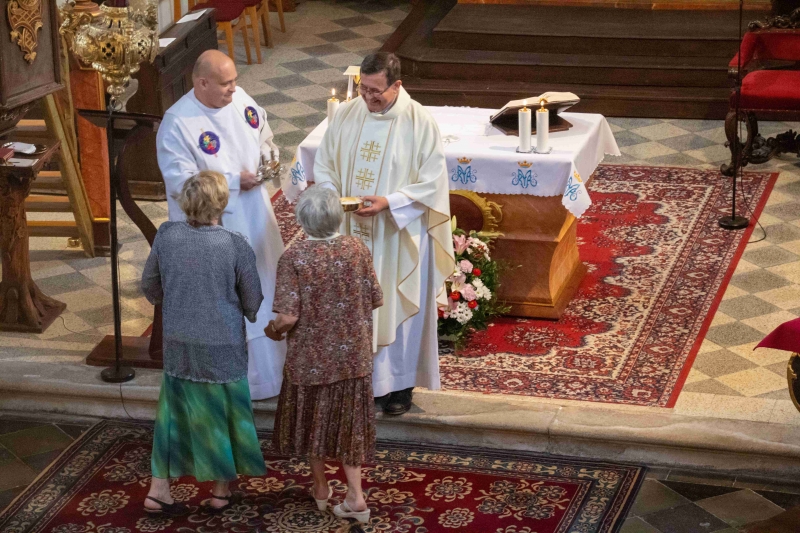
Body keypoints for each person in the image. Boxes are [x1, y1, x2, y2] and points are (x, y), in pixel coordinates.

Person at [312, 52, 454, 415]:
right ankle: (367, 382)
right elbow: (325, 162)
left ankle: (401, 385)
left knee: (395, 303)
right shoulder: (347, 114)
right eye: (364, 89)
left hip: (397, 234)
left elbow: (433, 181)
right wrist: (335, 197)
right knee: (357, 306)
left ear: (397, 85)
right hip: (351, 231)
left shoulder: (419, 122)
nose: (368, 97)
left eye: (376, 91)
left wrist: (390, 202)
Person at [156, 49, 285, 401]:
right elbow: (180, 183)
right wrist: (232, 180)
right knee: (228, 299)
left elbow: (263, 134)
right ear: (202, 83)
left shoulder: (239, 99)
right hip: (215, 227)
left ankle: (274, 374)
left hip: (255, 213)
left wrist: (267, 157)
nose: (234, 89)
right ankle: (237, 384)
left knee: (265, 281)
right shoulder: (178, 122)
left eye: (234, 81)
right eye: (226, 83)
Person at [141, 171, 266, 516]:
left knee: (172, 415)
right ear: (221, 203)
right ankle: (220, 492)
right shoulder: (234, 243)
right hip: (222, 343)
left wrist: (177, 303)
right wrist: (243, 310)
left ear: (186, 201)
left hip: (178, 341)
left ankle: (158, 490)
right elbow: (252, 300)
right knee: (224, 415)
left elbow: (149, 285)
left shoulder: (167, 235)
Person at [266, 187, 383, 524]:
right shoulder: (356, 248)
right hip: (353, 357)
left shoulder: (294, 256)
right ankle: (356, 497)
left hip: (310, 360)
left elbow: (288, 317)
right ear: (337, 217)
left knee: (313, 422)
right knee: (350, 427)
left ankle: (320, 488)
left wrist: (273, 331)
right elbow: (375, 298)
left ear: (301, 220)